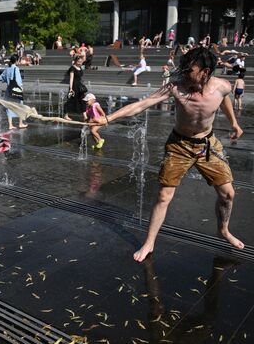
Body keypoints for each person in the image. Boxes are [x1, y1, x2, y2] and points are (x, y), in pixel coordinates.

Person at [92, 47, 245, 262]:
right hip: (179, 145)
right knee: (164, 195)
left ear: (205, 71)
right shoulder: (176, 87)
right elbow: (143, 104)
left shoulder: (222, 86)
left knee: (228, 194)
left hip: (207, 144)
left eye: (189, 69)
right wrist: (108, 119)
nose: (183, 73)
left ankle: (223, 230)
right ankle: (149, 242)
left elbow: (225, 99)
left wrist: (234, 123)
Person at [0, 55, 28, 130]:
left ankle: (10, 125)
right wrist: (21, 88)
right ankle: (20, 123)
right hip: (16, 89)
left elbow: (2, 78)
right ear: (16, 61)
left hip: (9, 90)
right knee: (20, 106)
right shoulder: (16, 68)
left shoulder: (7, 69)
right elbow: (18, 81)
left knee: (9, 107)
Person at [64, 54, 87, 120]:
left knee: (82, 100)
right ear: (75, 61)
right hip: (74, 86)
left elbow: (80, 78)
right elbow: (71, 79)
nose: (80, 62)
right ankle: (66, 115)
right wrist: (71, 89)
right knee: (70, 100)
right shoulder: (72, 68)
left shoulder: (80, 67)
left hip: (80, 86)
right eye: (78, 61)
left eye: (81, 61)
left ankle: (85, 116)